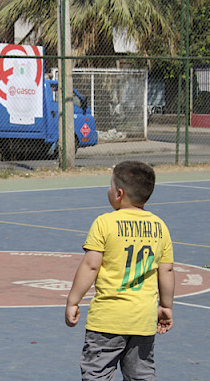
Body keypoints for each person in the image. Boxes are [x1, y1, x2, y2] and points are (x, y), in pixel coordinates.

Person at [65, 161, 175, 381]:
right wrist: (166, 305)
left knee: (97, 373)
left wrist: (73, 301)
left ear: (119, 194)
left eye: (110, 186)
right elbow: (167, 270)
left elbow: (91, 265)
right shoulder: (160, 226)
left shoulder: (104, 223)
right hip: (143, 319)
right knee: (141, 374)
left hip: (107, 319)